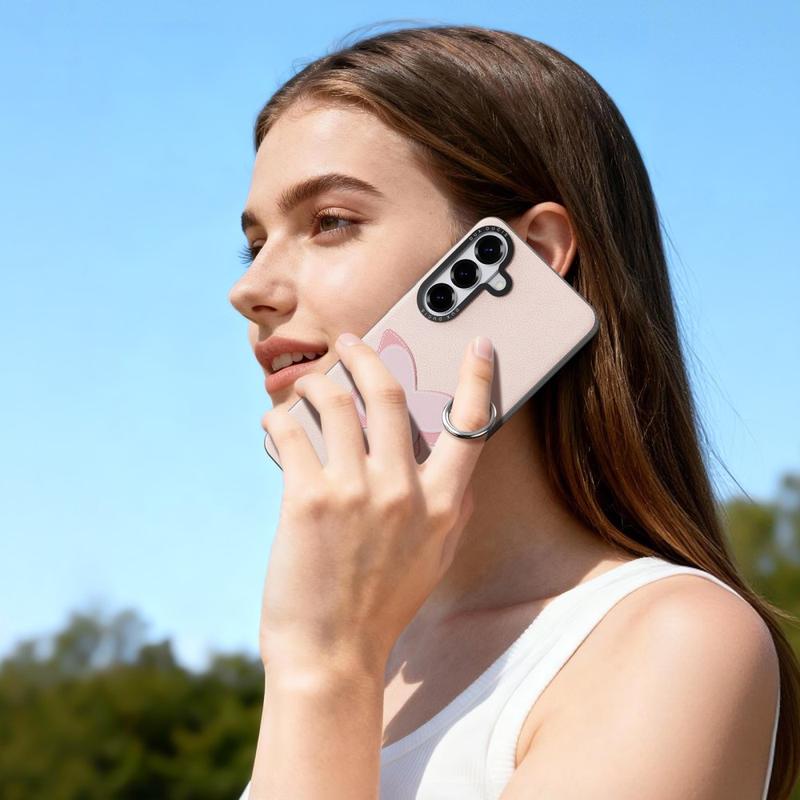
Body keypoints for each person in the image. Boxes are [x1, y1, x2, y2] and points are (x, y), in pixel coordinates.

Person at [228, 24, 797, 800]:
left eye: (331, 222)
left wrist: (324, 667)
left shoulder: (673, 640)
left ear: (530, 256)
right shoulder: (366, 646)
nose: (250, 289)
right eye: (254, 244)